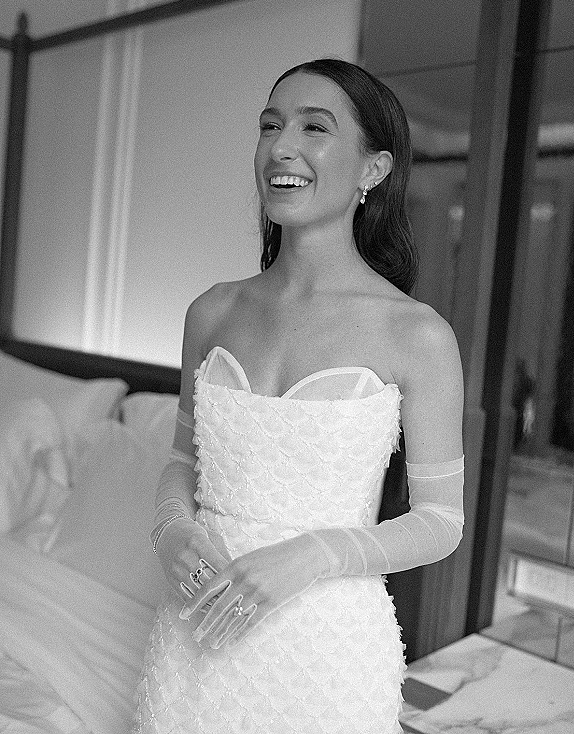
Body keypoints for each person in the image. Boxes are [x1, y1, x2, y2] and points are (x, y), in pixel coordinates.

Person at [133, 58, 464, 734]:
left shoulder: (418, 334)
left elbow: (440, 521)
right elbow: (180, 459)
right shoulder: (211, 312)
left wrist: (312, 553)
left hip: (327, 653)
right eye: (270, 125)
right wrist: (172, 531)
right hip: (196, 632)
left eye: (315, 127)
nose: (281, 146)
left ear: (373, 169)